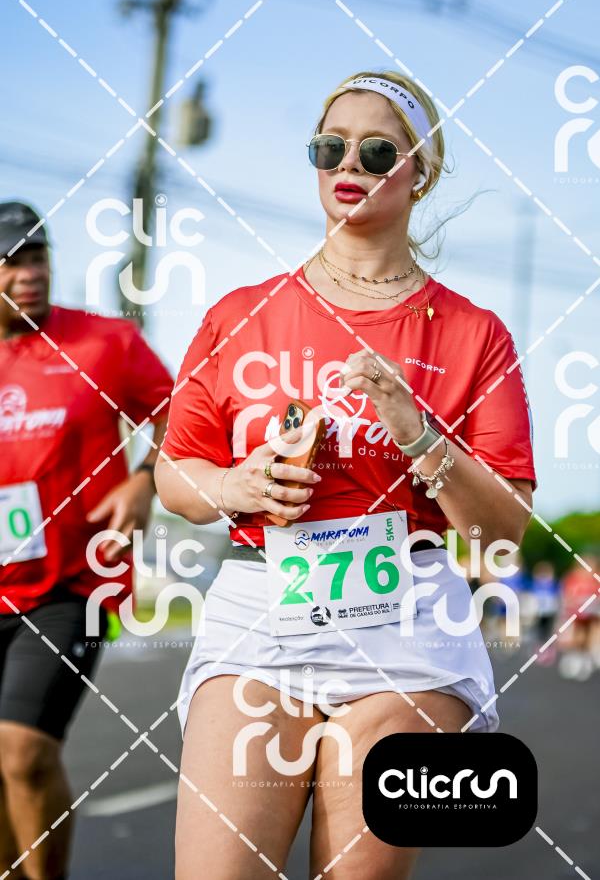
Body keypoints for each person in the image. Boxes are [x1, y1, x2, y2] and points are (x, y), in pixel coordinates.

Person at [155, 71, 537, 880]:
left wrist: (417, 431)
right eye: (330, 147)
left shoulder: (474, 334)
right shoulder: (238, 315)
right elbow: (175, 475)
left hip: (410, 626)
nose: (349, 163)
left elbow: (502, 531)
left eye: (377, 150)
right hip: (261, 610)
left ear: (421, 170)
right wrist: (235, 486)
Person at [0, 202, 173, 880]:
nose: (29, 274)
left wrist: (145, 480)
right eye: (11, 262)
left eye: (37, 257)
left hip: (73, 584)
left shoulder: (105, 342)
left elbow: (180, 412)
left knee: (22, 753)